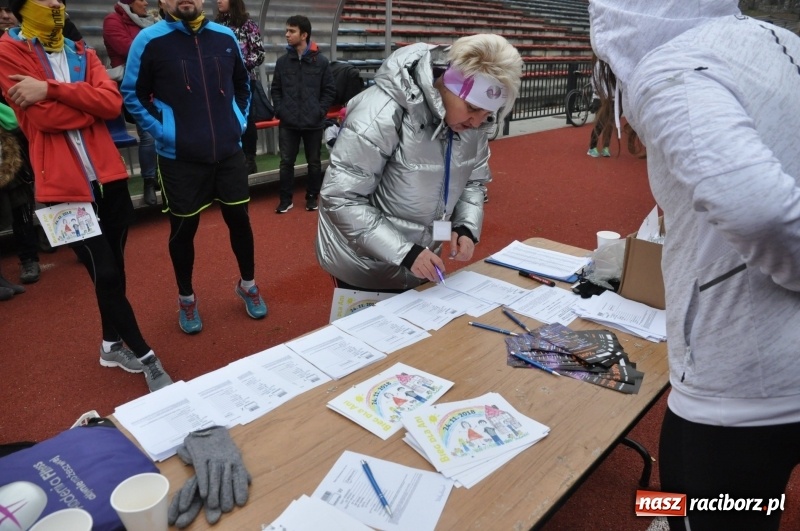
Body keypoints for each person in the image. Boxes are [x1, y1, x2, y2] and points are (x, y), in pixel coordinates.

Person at [589, 1, 800, 530]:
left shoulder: (672, 66)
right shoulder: (780, 42)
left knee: (694, 509)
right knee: (755, 508)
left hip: (739, 377)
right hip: (772, 367)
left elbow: (759, 211)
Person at [0, 0, 173, 392]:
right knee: (104, 271)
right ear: (21, 6)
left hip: (108, 177)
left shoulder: (82, 51)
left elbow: (111, 104)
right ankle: (147, 357)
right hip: (62, 187)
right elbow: (43, 118)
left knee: (114, 270)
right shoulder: (8, 52)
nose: (55, 4)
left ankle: (111, 345)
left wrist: (50, 89)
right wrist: (86, 101)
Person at [316, 34, 522, 292]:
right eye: (471, 108)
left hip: (420, 259)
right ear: (447, 84)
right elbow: (341, 197)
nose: (477, 122)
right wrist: (405, 252)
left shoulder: (473, 126)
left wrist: (465, 226)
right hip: (362, 263)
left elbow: (473, 182)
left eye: (488, 113)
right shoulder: (381, 111)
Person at [122, 0, 268, 334]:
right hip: (180, 159)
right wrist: (166, 132)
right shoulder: (148, 41)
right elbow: (133, 95)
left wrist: (238, 121)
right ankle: (186, 298)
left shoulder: (225, 37)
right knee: (183, 230)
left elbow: (243, 84)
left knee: (240, 222)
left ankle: (248, 284)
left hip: (228, 154)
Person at [271, 15, 335, 213]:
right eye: (287, 30)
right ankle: (285, 199)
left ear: (304, 35)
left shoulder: (321, 62)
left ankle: (312, 197)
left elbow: (329, 90)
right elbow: (276, 89)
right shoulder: (282, 62)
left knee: (314, 162)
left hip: (313, 121)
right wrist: (280, 110)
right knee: (286, 162)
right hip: (288, 122)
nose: (287, 34)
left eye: (292, 31)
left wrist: (319, 111)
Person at [103, 0, 158, 206]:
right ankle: (149, 181)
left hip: (158, 83)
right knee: (148, 135)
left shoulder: (151, 20)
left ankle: (163, 177)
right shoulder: (113, 21)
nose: (146, 2)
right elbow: (129, 49)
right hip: (134, 86)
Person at [215, 0, 264, 175]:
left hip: (244, 81)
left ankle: (249, 159)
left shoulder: (248, 25)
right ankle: (229, 156)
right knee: (224, 117)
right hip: (221, 82)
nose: (218, 1)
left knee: (245, 117)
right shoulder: (215, 26)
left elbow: (259, 54)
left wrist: (237, 66)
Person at [586, 56, 612, 158]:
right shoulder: (599, 65)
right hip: (601, 98)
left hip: (612, 98)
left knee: (610, 123)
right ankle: (592, 147)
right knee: (600, 123)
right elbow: (594, 81)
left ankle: (606, 147)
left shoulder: (614, 65)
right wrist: (600, 94)